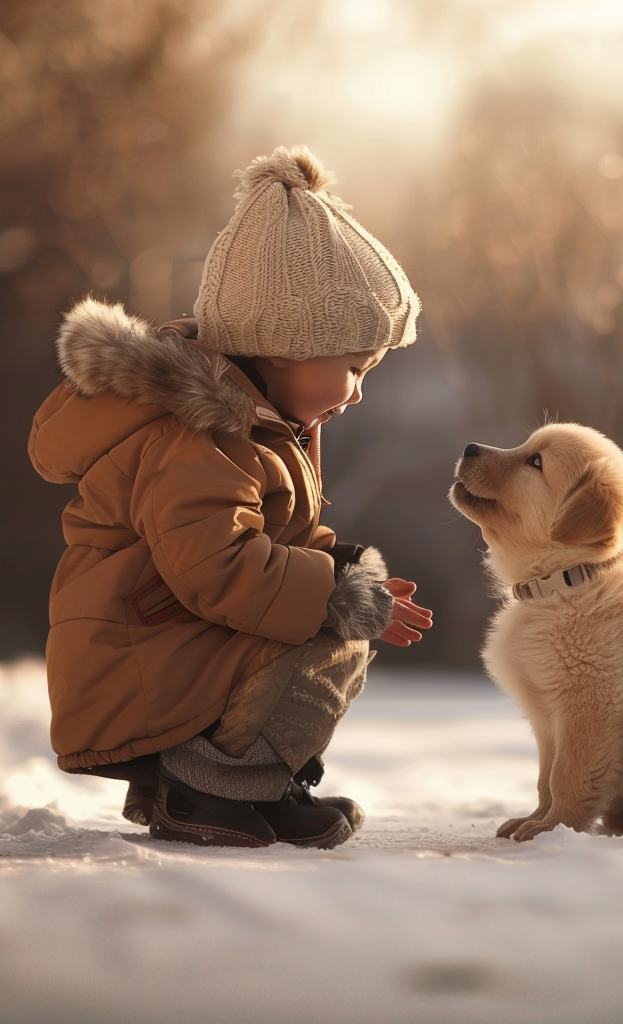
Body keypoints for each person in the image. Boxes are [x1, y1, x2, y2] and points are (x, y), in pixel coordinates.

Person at [28, 146, 432, 849]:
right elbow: (216, 566)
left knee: (335, 613)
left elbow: (262, 547)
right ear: (285, 347)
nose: (359, 390)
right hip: (138, 663)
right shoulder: (199, 434)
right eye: (353, 367)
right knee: (331, 638)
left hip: (161, 647)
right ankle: (206, 788)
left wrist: (339, 566)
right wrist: (337, 591)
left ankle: (250, 785)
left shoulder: (259, 423)